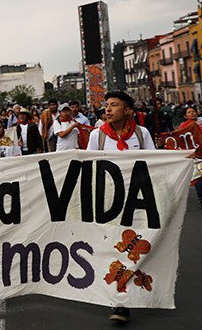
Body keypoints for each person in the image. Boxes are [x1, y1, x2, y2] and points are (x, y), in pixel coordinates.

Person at [85, 91, 155, 323]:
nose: (108, 109)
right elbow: (90, 167)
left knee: (133, 248)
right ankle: (119, 299)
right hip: (109, 203)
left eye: (114, 105)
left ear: (127, 111)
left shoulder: (141, 134)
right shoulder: (98, 136)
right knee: (114, 248)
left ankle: (124, 298)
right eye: (106, 105)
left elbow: (155, 163)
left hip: (137, 202)